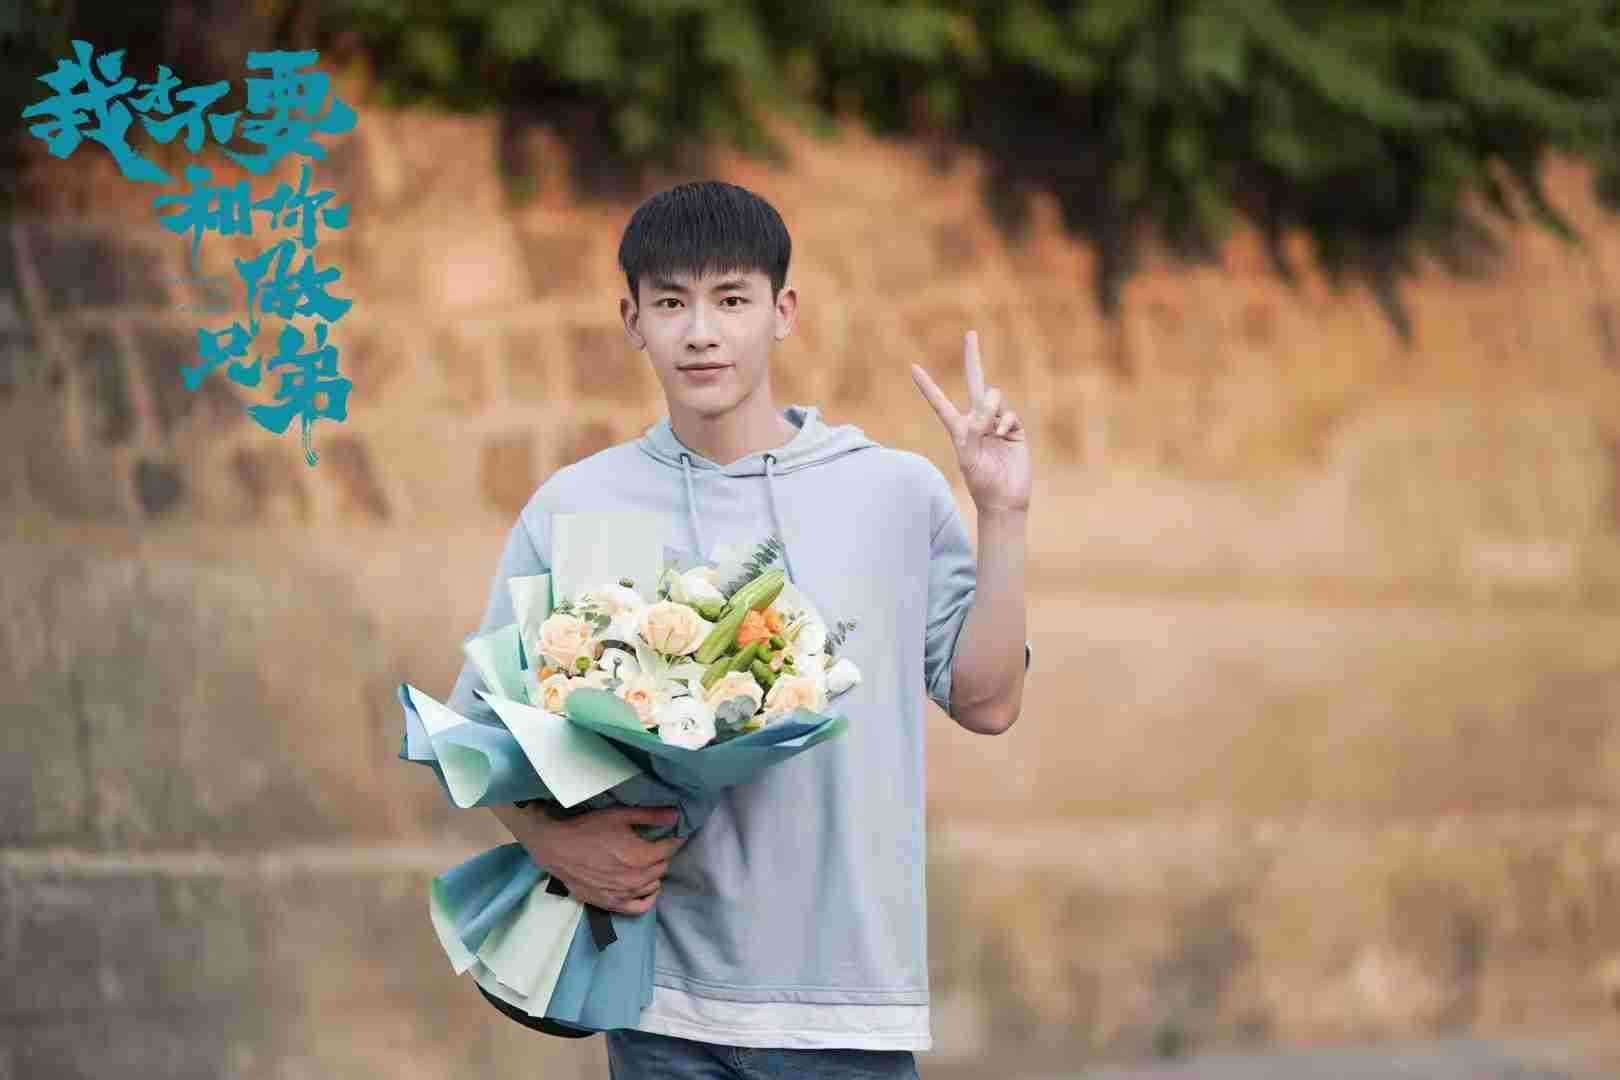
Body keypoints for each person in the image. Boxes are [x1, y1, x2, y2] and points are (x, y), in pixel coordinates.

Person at [445, 179, 1031, 1079]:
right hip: (659, 1006)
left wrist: (1002, 514)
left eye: (730, 300)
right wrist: (555, 843)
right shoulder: (576, 504)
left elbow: (988, 702)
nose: (700, 332)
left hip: (847, 1009)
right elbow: (477, 733)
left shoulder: (892, 492)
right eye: (670, 303)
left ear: (782, 312)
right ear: (633, 320)